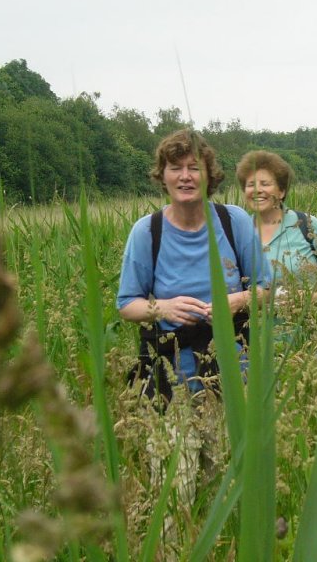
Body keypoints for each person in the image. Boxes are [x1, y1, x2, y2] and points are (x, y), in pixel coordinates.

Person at [116, 129, 271, 536]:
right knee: (174, 497)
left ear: (208, 175)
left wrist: (234, 301)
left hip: (232, 381)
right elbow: (126, 303)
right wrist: (162, 307)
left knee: (230, 491)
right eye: (175, 167)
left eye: (193, 167)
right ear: (162, 176)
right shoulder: (146, 232)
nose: (185, 176)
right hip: (171, 384)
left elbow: (267, 288)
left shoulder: (232, 221)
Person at [236, 150, 317, 284]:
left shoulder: (307, 224)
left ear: (281, 191)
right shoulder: (239, 232)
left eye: (265, 184)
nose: (257, 190)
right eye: (251, 184)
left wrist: (310, 298)